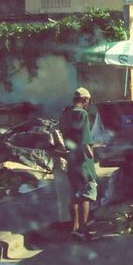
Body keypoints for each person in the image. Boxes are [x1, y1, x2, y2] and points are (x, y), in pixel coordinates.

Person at [60, 87, 98, 238]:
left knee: (75, 194)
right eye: (88, 100)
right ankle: (84, 230)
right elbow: (85, 142)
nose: (88, 103)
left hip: (71, 158)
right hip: (83, 161)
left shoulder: (65, 113)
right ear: (85, 100)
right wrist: (93, 154)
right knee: (86, 195)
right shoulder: (82, 114)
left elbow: (63, 134)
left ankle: (74, 228)